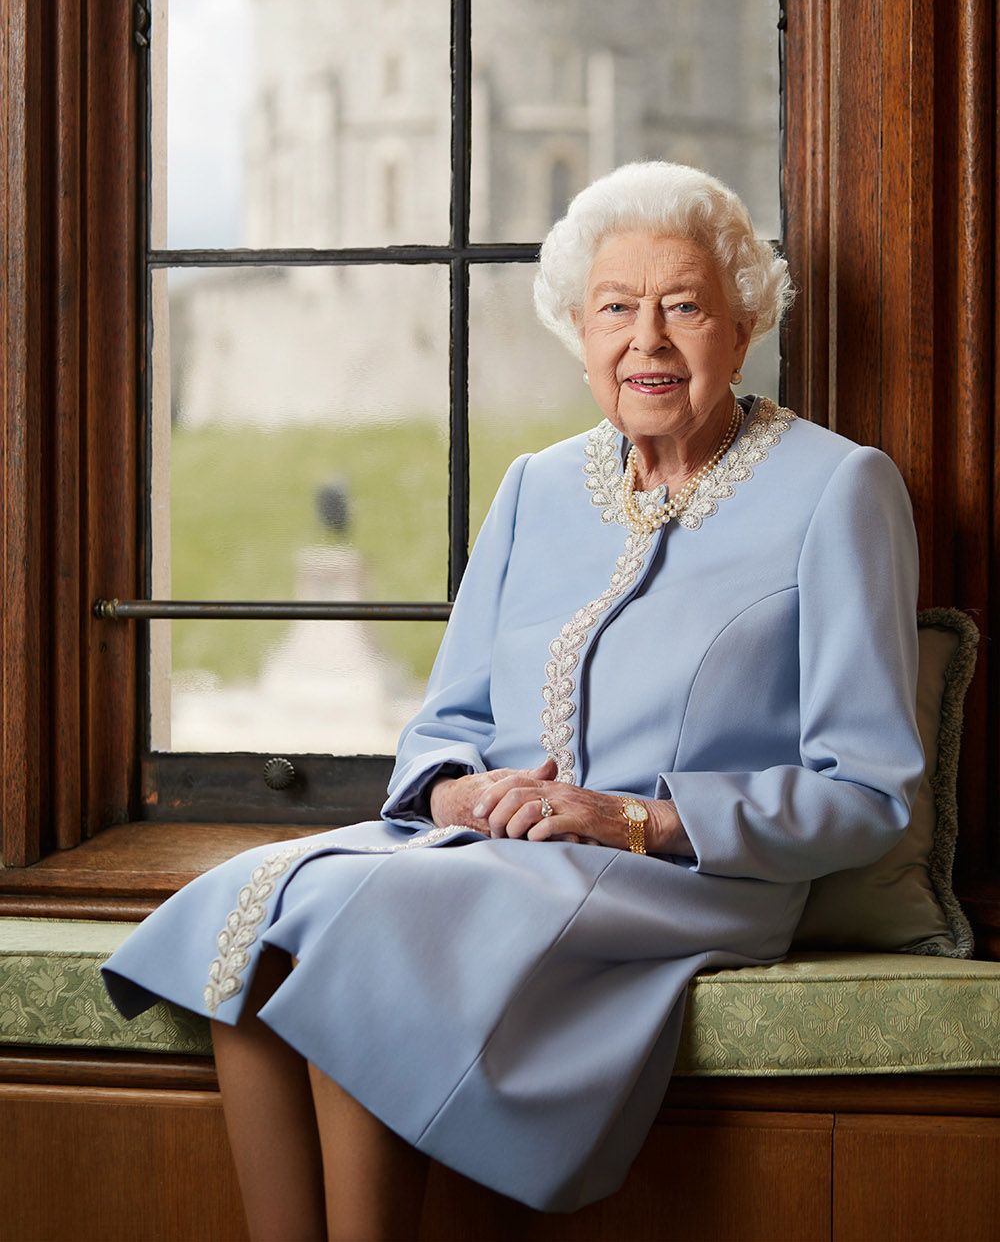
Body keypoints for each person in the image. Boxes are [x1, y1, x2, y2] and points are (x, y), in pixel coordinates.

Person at [102, 160, 924, 1242]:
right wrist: (455, 795)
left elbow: (868, 790)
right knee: (254, 903)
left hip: (684, 878)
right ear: (578, 332)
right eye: (615, 309)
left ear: (745, 321)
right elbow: (443, 723)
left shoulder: (836, 487)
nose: (648, 341)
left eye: (683, 306)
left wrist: (630, 817)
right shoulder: (535, 486)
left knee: (369, 928)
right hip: (496, 860)